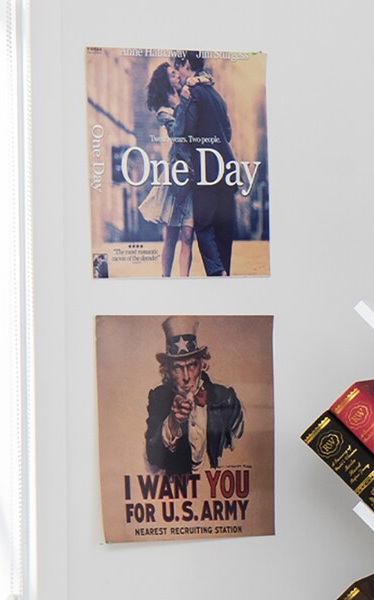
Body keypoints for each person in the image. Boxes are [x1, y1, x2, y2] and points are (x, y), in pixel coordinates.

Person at [144, 317, 245, 475]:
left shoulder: (226, 398)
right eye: (177, 368)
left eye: (192, 365)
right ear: (168, 371)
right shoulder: (158, 398)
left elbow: (240, 453)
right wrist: (172, 421)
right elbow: (153, 456)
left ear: (202, 364)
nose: (186, 377)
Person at [171, 51, 235, 277]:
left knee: (204, 224)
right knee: (223, 226)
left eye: (178, 67)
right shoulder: (217, 96)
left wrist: (184, 104)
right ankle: (225, 270)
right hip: (227, 168)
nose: (177, 72)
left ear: (187, 64)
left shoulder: (193, 94)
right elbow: (227, 133)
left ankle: (217, 272)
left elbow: (187, 132)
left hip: (206, 169)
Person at [137, 62, 194, 278]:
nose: (178, 76)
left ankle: (184, 281)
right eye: (173, 74)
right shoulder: (164, 110)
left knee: (188, 234)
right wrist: (182, 104)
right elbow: (178, 134)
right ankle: (165, 278)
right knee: (171, 235)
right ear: (166, 80)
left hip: (193, 171)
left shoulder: (187, 94)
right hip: (176, 175)